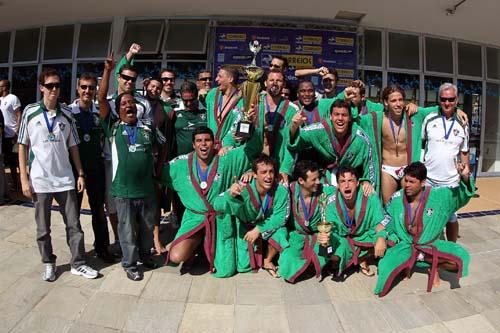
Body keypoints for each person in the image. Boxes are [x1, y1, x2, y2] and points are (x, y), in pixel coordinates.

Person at [18, 68, 98, 281]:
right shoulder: (30, 112)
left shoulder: (67, 114)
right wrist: (24, 179)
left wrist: (80, 174)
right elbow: (23, 146)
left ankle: (78, 263)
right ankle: (48, 262)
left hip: (65, 180)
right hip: (40, 181)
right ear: (41, 87)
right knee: (43, 229)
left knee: (74, 226)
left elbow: (73, 147)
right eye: (50, 85)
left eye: (57, 85)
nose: (54, 89)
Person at [158, 125, 262, 278]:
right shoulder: (181, 164)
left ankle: (208, 244)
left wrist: (251, 125)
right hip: (195, 218)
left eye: (207, 140)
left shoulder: (226, 159)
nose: (203, 144)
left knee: (226, 270)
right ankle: (197, 243)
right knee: (176, 256)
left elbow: (253, 148)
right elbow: (157, 171)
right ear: (193, 145)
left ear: (214, 143)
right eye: (199, 141)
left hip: (220, 219)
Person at [99, 54, 164, 281]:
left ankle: (146, 256)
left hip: (146, 189)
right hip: (124, 191)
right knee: (126, 230)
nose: (129, 106)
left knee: (147, 227)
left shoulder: (147, 127)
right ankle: (129, 263)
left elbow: (160, 148)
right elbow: (102, 101)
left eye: (131, 103)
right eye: (124, 104)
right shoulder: (113, 126)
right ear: (118, 109)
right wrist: (108, 71)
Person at [375, 162, 475, 297]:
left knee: (461, 258)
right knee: (385, 267)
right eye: (405, 180)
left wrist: (465, 178)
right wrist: (381, 236)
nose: (407, 185)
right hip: (406, 245)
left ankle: (426, 261)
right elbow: (385, 221)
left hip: (430, 244)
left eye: (412, 182)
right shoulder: (397, 198)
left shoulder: (439, 197)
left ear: (423, 183)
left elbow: (460, 196)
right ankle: (412, 259)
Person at [215, 155, 290, 277]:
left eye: (271, 171)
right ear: (254, 174)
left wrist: (259, 229)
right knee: (241, 267)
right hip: (244, 226)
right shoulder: (242, 187)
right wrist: (230, 194)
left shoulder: (281, 190)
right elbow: (217, 204)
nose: (268, 176)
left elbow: (281, 217)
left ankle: (268, 259)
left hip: (265, 225)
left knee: (281, 232)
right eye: (263, 172)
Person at [68, 73, 114, 263]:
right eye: (84, 87)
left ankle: (102, 248)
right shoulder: (68, 113)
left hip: (96, 169)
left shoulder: (99, 112)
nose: (87, 91)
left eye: (91, 87)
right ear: (78, 88)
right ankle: (77, 252)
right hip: (73, 171)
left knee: (98, 212)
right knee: (73, 213)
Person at [289, 99, 377, 190]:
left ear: (350, 118)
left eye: (344, 115)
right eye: (336, 114)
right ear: (330, 116)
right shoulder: (320, 130)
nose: (340, 118)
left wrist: (367, 181)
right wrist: (294, 126)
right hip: (325, 175)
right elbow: (296, 139)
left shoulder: (361, 138)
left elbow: (371, 164)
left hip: (350, 178)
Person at [324, 166, 393, 277]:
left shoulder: (370, 195)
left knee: (390, 239)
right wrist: (325, 238)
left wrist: (380, 236)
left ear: (357, 183)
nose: (346, 185)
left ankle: (359, 257)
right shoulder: (331, 202)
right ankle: (360, 258)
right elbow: (331, 229)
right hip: (345, 239)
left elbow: (380, 221)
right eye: (342, 181)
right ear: (337, 185)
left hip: (365, 236)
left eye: (350, 181)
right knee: (329, 250)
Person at [422, 83, 470, 242]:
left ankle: (451, 249)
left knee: (451, 218)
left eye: (451, 99)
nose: (447, 103)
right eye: (443, 99)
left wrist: (465, 172)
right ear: (439, 100)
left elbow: (464, 151)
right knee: (428, 216)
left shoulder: (463, 123)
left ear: (457, 100)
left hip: (450, 181)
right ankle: (427, 248)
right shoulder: (429, 119)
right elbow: (421, 145)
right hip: (429, 179)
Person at [278, 160, 336, 282]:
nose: (318, 182)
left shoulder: (325, 191)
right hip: (296, 235)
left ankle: (317, 265)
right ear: (301, 181)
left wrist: (364, 183)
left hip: (317, 235)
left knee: (330, 247)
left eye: (318, 178)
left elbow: (343, 192)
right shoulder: (289, 191)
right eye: (313, 180)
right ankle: (305, 267)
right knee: (287, 259)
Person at [253, 69, 297, 184]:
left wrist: (285, 169)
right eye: (271, 80)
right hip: (255, 166)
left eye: (278, 80)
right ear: (265, 83)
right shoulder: (254, 103)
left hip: (279, 167)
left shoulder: (292, 110)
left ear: (284, 84)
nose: (275, 83)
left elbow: (293, 145)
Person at [205, 65, 243, 151]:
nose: (216, 79)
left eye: (220, 76)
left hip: (229, 150)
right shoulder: (212, 94)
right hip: (209, 148)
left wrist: (227, 144)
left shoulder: (242, 101)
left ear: (230, 79)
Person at [0, 79, 22, 191]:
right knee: (5, 161)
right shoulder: (0, 100)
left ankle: (18, 185)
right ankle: (8, 185)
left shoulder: (13, 98)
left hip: (12, 136)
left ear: (5, 87)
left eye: (0, 86)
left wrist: (17, 132)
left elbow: (19, 115)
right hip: (3, 136)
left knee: (14, 163)